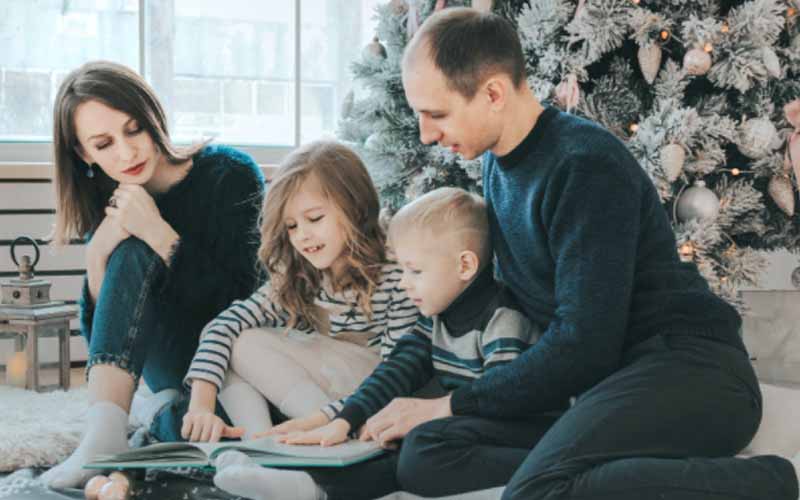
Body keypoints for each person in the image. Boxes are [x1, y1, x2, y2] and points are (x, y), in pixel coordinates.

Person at [345, 7, 796, 500]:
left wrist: (448, 405)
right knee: (428, 452)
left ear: (493, 93)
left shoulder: (586, 166)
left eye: (436, 114)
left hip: (689, 372)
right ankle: (601, 469)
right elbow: (463, 311)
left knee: (538, 491)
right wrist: (350, 414)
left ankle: (779, 480)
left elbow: (584, 344)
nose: (426, 134)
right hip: (604, 388)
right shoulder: (498, 169)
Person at [209, 186, 545, 500]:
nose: (404, 283)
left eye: (414, 271)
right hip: (464, 429)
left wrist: (425, 421)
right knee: (383, 437)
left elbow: (500, 404)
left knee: (418, 447)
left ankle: (318, 489)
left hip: (514, 435)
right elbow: (395, 370)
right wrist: (344, 419)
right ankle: (309, 487)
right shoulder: (436, 316)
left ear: (465, 265)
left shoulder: (502, 319)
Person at [40, 61, 265, 489]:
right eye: (104, 144)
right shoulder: (113, 202)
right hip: (167, 364)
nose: (126, 153)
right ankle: (105, 435)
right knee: (126, 249)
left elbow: (245, 300)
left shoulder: (230, 174)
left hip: (235, 360)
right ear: (84, 154)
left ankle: (155, 415)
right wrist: (99, 252)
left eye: (133, 129)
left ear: (153, 118)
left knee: (213, 424)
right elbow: (105, 340)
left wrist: (160, 234)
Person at [179, 140, 420, 450]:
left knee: (243, 344)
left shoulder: (395, 274)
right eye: (292, 226)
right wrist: (200, 405)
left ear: (355, 207)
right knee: (235, 341)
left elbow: (397, 373)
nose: (302, 235)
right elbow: (222, 325)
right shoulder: (300, 274)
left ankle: (324, 442)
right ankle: (260, 446)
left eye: (315, 218)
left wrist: (335, 418)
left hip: (370, 400)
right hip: (320, 399)